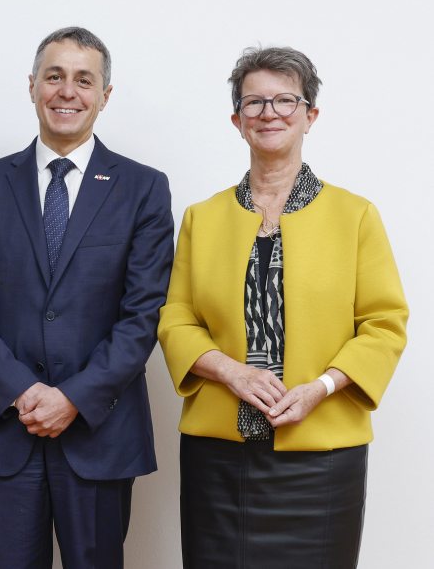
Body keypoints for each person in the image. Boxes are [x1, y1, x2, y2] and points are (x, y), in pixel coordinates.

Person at [157, 46, 408, 568]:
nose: (269, 113)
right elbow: (176, 319)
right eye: (254, 103)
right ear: (237, 121)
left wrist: (322, 387)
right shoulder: (201, 218)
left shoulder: (356, 215)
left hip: (322, 460)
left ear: (310, 116)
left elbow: (384, 326)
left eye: (285, 101)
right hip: (218, 457)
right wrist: (230, 372)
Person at [0, 27, 174, 568]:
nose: (67, 91)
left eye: (83, 80)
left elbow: (143, 314)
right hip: (7, 428)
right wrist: (23, 391)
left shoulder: (143, 188)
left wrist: (72, 397)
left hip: (100, 429)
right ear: (32, 86)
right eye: (54, 76)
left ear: (104, 96)